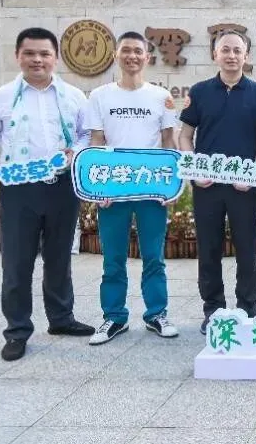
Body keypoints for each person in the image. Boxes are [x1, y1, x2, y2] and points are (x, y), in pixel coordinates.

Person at [0, 27, 95, 361]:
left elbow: (87, 134)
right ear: (18, 56)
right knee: (17, 263)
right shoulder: (0, 97)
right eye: (29, 53)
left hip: (62, 187)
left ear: (55, 58)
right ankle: (17, 330)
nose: (37, 60)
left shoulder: (73, 96)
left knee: (59, 258)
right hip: (17, 190)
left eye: (44, 54)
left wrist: (75, 151)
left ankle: (61, 318)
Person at [85, 31, 179, 345]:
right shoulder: (100, 96)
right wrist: (97, 188)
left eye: (138, 51)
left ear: (147, 57)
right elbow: (96, 141)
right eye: (126, 50)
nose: (132, 56)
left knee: (154, 256)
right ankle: (114, 317)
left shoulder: (160, 96)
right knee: (113, 258)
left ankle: (156, 314)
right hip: (113, 189)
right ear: (116, 55)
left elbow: (169, 142)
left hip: (151, 189)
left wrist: (169, 187)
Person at [178, 30, 256, 334]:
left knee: (246, 248)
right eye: (225, 50)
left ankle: (247, 307)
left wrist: (255, 172)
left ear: (246, 56)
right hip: (206, 185)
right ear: (214, 54)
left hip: (244, 187)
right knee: (209, 248)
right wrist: (195, 171)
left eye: (237, 50)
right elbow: (185, 136)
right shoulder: (200, 92)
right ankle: (213, 309)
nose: (231, 55)